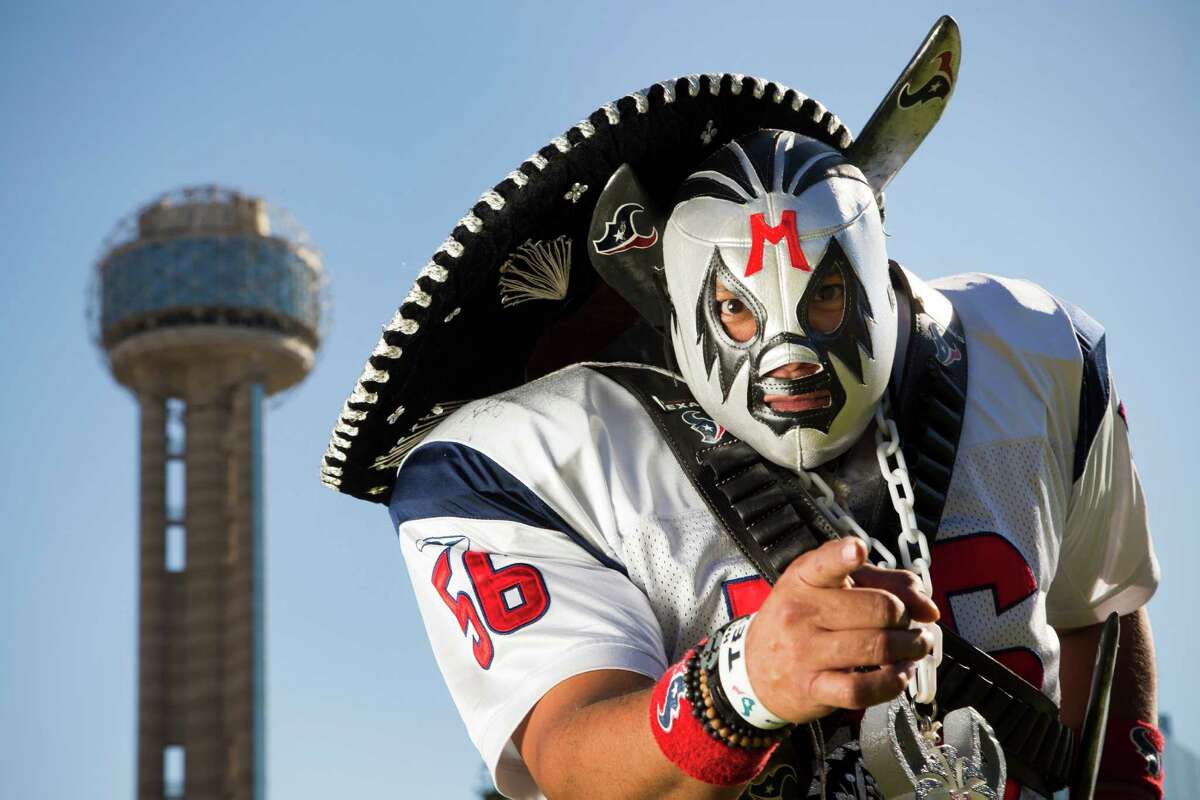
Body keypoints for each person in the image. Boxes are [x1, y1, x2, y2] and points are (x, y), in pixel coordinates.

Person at [322, 57, 1162, 800]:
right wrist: (742, 685)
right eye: (735, 308)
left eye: (825, 295)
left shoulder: (1041, 352)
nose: (789, 355)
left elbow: (1101, 605)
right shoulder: (512, 462)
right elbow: (571, 761)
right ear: (666, 292)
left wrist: (1125, 786)